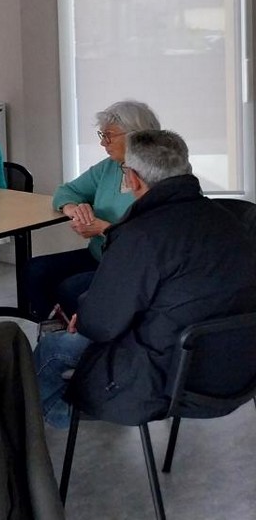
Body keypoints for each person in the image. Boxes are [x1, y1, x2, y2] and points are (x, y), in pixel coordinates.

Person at [33, 129, 256, 429]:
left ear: (134, 179)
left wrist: (84, 314)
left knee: (53, 348)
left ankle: (53, 419)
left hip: (167, 377)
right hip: (238, 368)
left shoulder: (141, 235)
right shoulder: (230, 219)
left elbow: (101, 324)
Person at [27, 100, 160, 321]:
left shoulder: (157, 174)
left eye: (109, 136)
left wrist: (103, 229)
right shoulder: (110, 166)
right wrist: (74, 209)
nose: (103, 143)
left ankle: (80, 334)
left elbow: (150, 238)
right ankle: (55, 328)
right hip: (99, 255)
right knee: (36, 270)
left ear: (136, 135)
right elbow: (66, 191)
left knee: (71, 289)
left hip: (131, 265)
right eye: (102, 135)